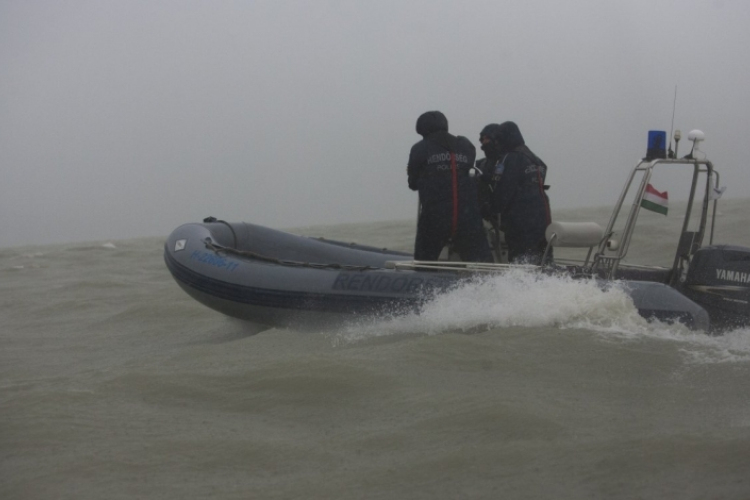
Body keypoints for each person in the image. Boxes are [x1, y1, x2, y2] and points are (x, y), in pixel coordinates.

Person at [407, 111, 493, 262]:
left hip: (435, 217)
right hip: (468, 216)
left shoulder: (419, 148)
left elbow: (413, 184)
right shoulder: (466, 145)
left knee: (424, 263)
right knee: (483, 265)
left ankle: (424, 282)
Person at [477, 121, 552, 264]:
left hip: (521, 220)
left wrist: (489, 209)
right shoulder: (536, 160)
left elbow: (503, 191)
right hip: (544, 217)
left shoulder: (509, 158)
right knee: (544, 260)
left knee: (519, 260)